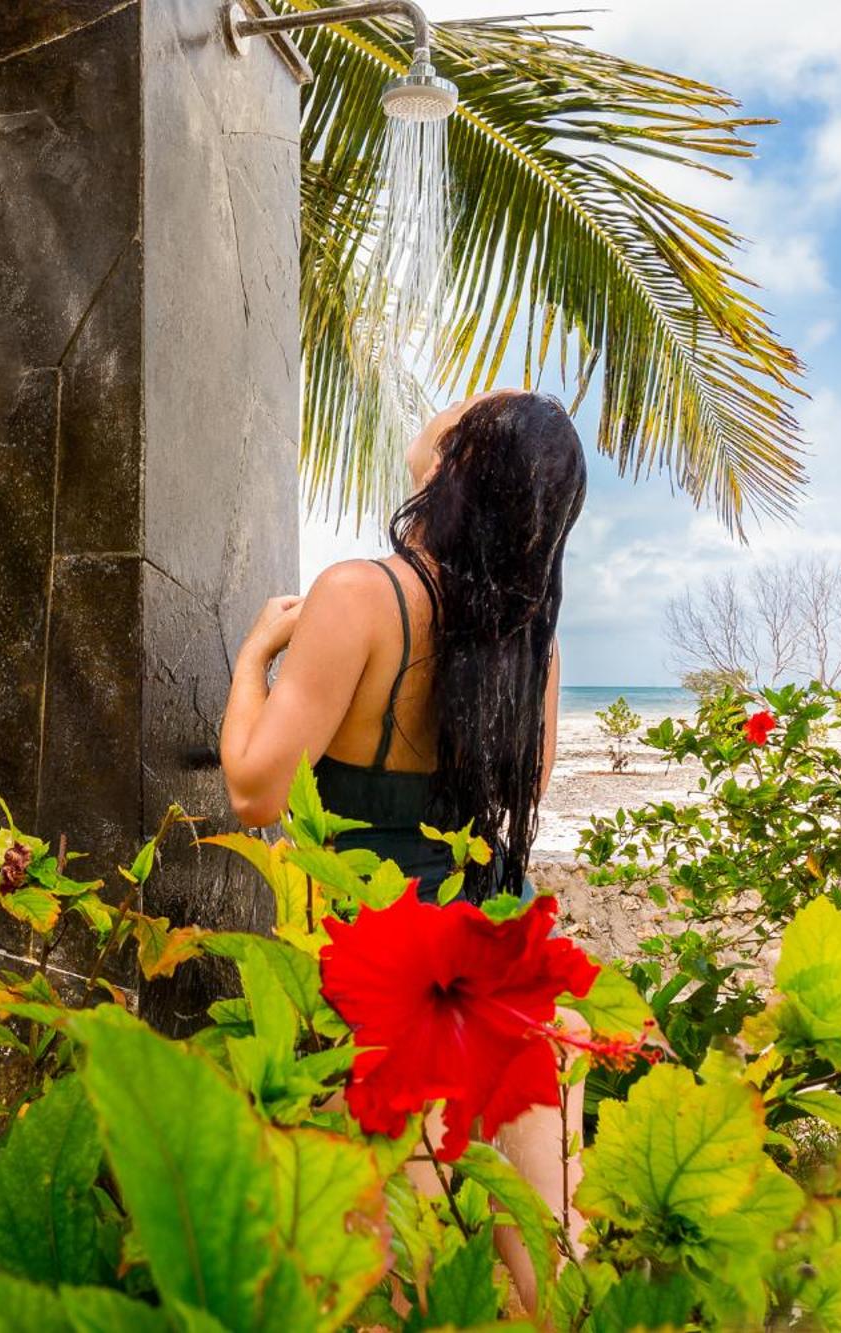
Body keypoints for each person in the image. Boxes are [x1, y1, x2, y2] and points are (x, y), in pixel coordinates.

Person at [219, 388, 588, 1313]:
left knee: (402, 1267)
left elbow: (256, 788)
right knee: (552, 1259)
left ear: (458, 467)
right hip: (504, 951)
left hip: (392, 966)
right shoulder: (532, 642)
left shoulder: (362, 595)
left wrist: (254, 658)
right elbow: (525, 791)